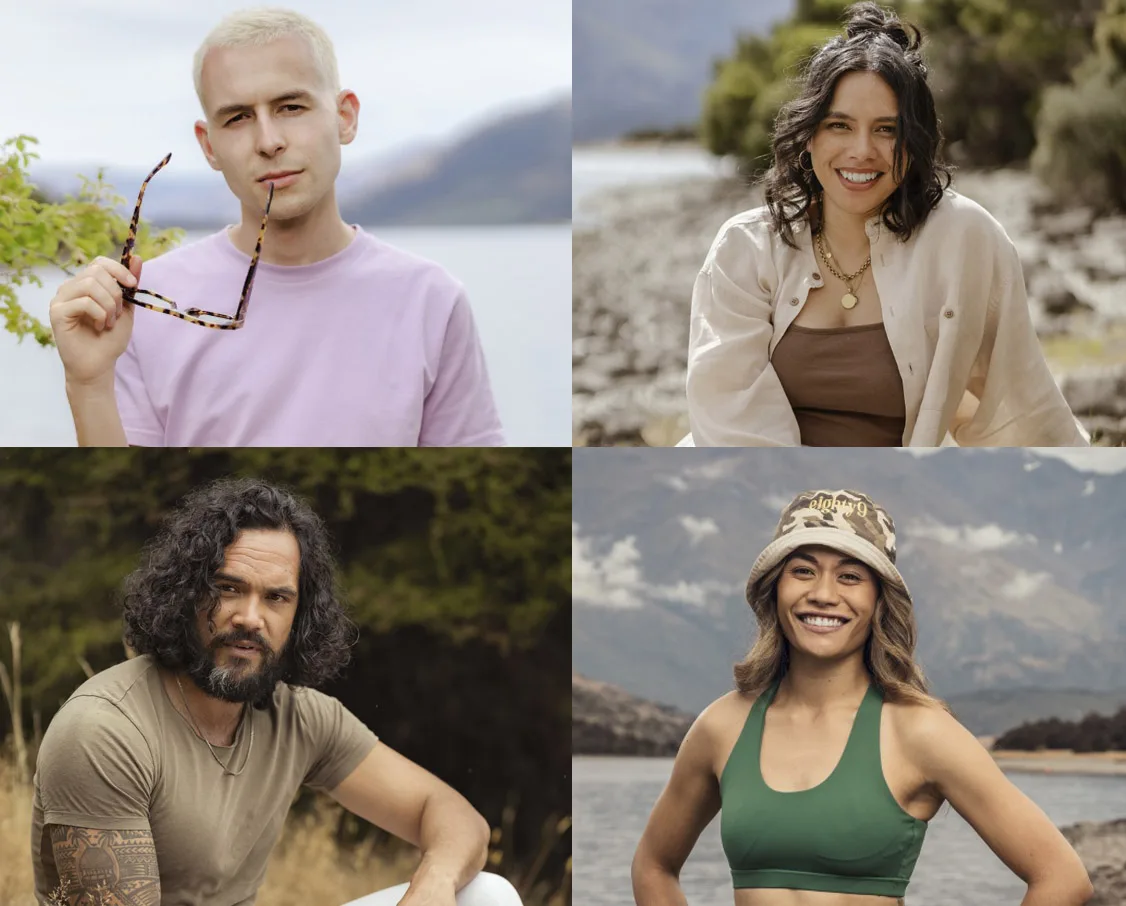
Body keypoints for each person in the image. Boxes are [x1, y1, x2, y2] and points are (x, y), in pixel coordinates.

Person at [30, 477, 522, 906]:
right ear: (185, 591)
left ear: (298, 615)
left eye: (276, 597)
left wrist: (431, 886)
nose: (249, 617)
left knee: (487, 896)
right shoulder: (104, 731)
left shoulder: (299, 719)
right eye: (227, 588)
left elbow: (458, 819)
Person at [47, 8, 504, 448]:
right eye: (238, 117)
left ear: (344, 116)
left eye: (291, 106)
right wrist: (87, 384)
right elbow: (128, 506)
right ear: (209, 145)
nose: (269, 142)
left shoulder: (431, 300)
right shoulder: (139, 304)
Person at [631, 488, 1094, 905]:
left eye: (850, 576)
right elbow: (653, 867)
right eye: (803, 571)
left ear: (878, 599)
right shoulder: (722, 726)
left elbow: (1061, 878)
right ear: (775, 590)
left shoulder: (920, 731)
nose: (823, 594)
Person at [682, 2, 1088, 448]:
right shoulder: (746, 248)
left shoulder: (964, 239)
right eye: (839, 125)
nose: (861, 151)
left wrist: (1082, 491)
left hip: (901, 502)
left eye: (887, 130)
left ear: (914, 142)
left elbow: (1021, 405)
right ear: (810, 134)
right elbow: (729, 423)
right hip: (761, 495)